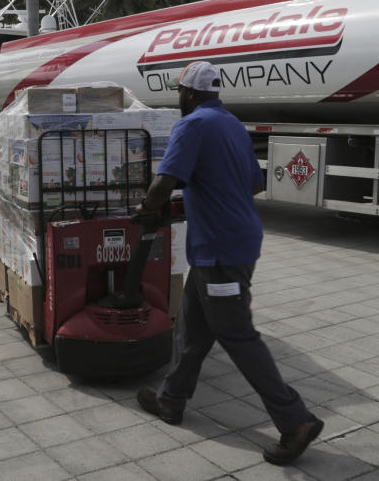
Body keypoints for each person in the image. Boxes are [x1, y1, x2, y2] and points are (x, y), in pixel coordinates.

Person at [135, 61, 323, 466]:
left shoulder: (192, 125)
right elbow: (248, 184)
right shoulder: (234, 125)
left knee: (237, 335)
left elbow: (162, 183)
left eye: (179, 92)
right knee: (193, 328)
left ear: (187, 92)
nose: (178, 98)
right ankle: (171, 400)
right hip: (230, 241)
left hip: (219, 251)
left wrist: (147, 208)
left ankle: (295, 421)